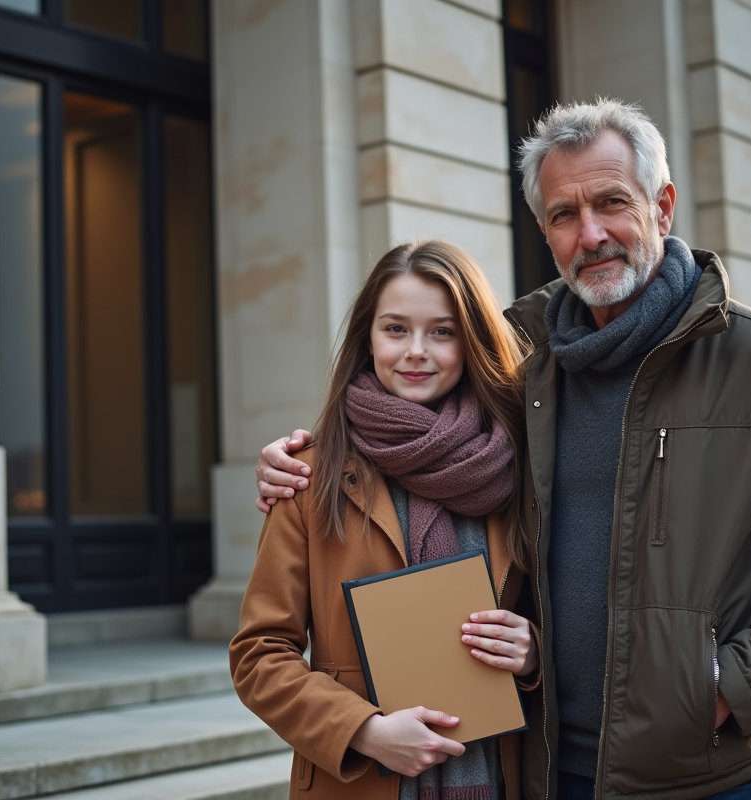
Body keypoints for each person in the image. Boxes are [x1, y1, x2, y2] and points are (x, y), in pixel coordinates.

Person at [255, 99, 751, 800]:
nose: (590, 233)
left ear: (663, 206)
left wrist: (729, 687)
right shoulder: (523, 374)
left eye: (611, 203)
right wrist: (296, 457)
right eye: (564, 214)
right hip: (547, 771)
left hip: (711, 776)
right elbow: (413, 421)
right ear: (544, 231)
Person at [230, 240, 542, 800]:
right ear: (367, 338)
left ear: (471, 342)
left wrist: (533, 652)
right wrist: (363, 730)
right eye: (395, 329)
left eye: (442, 332)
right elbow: (259, 656)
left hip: (499, 778)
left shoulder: (520, 465)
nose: (416, 351)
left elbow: (579, 617)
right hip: (361, 782)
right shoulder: (306, 477)